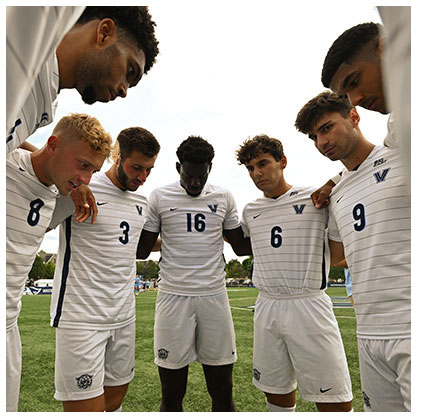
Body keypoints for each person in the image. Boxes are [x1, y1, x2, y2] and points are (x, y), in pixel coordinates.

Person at [294, 91, 411, 412]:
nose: (321, 142)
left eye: (327, 128)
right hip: (368, 332)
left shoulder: (400, 149)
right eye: (314, 137)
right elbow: (340, 256)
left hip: (412, 325)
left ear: (354, 117)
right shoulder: (337, 193)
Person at [7, 6, 160, 226]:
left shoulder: (45, 105)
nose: (124, 91)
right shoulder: (27, 41)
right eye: (130, 71)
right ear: (104, 33)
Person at [235, 135, 354, 412]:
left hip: (309, 304)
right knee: (276, 392)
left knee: (334, 397)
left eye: (263, 164)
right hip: (267, 305)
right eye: (251, 168)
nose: (257, 173)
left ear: (283, 162)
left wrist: (331, 183)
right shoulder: (251, 210)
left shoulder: (316, 198)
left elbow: (355, 170)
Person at [134, 136, 251, 411]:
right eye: (189, 176)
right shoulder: (160, 196)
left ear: (210, 168)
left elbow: (241, 245)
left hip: (214, 297)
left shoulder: (224, 196)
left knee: (222, 391)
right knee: (172, 393)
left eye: (201, 176)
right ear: (178, 168)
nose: (195, 183)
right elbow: (141, 250)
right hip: (173, 297)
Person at [6, 113, 112, 411]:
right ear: (52, 144)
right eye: (83, 164)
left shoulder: (62, 198)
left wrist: (77, 185)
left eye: (94, 170)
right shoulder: (8, 162)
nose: (86, 178)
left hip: (8, 328)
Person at [45, 127, 157, 411]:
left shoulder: (141, 202)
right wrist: (75, 185)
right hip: (81, 318)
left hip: (123, 316)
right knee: (85, 409)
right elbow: (30, 156)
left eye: (149, 170)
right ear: (116, 157)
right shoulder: (80, 187)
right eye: (136, 168)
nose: (142, 178)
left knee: (116, 400)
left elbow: (129, 242)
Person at [311, 20, 409, 209]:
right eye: (345, 95)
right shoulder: (397, 125)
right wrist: (333, 182)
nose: (354, 100)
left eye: (355, 81)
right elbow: (374, 161)